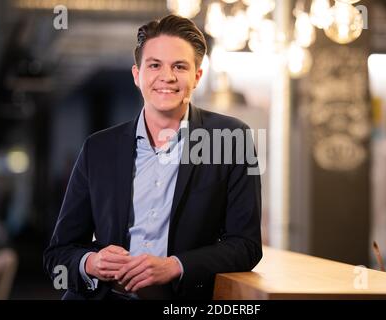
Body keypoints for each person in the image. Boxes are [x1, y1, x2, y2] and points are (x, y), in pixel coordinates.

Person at [44, 14, 262, 300]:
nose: (167, 77)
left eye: (180, 66)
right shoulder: (98, 148)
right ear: (137, 75)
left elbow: (246, 245)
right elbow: (58, 254)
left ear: (197, 76)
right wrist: (91, 263)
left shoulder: (231, 139)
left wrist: (175, 266)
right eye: (155, 65)